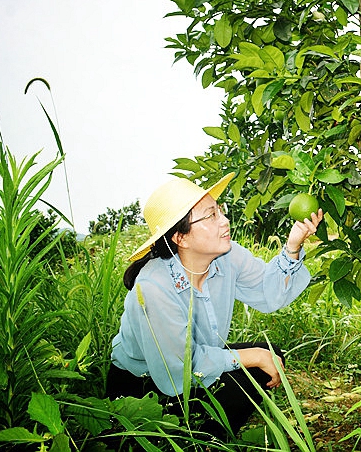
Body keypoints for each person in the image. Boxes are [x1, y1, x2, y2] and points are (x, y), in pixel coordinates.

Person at [107, 172, 323, 437]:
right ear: (181, 237)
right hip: (144, 387)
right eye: (211, 216)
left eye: (219, 211)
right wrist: (252, 355)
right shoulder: (154, 286)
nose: (225, 221)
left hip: (193, 363)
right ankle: (196, 438)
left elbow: (269, 292)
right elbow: (178, 369)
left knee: (270, 354)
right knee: (253, 364)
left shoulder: (227, 256)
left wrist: (292, 245)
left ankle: (209, 436)